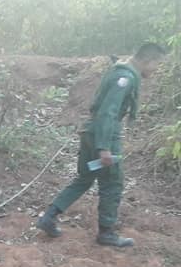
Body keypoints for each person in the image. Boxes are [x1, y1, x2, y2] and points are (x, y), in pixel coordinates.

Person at [36, 43, 167, 247]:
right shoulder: (125, 78)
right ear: (148, 60)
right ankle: (107, 233)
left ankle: (49, 217)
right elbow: (108, 112)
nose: (156, 70)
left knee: (85, 178)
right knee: (112, 183)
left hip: (91, 131)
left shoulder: (119, 70)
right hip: (104, 134)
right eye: (157, 65)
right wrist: (104, 147)